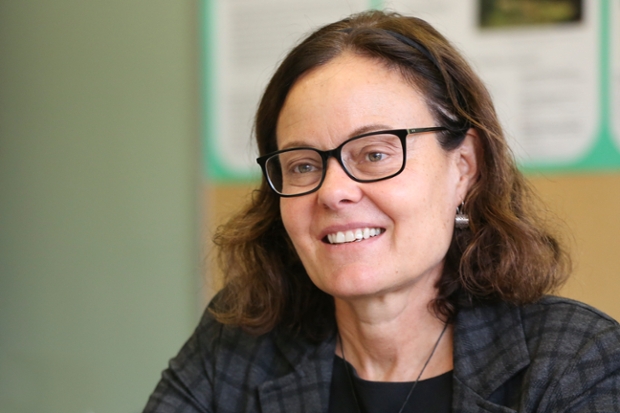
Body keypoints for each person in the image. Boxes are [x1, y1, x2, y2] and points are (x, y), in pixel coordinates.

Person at [143, 10, 620, 413]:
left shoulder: (577, 361)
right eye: (304, 165)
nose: (333, 193)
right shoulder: (239, 340)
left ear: (464, 168)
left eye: (374, 154)